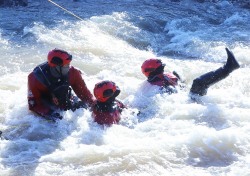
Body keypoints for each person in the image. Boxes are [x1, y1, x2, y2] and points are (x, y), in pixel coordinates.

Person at [141, 48, 240, 98]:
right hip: (185, 103)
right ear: (153, 70)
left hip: (186, 97)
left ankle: (229, 67)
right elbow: (168, 97)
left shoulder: (165, 76)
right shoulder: (153, 86)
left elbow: (180, 85)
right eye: (160, 68)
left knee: (196, 82)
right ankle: (229, 67)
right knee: (198, 82)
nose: (163, 68)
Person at [28, 49, 94, 121]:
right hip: (45, 101)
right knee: (55, 121)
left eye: (69, 64)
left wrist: (95, 106)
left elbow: (85, 94)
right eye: (66, 65)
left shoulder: (73, 72)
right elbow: (33, 105)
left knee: (83, 106)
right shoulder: (35, 78)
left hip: (63, 96)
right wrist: (50, 114)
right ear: (56, 66)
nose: (69, 67)